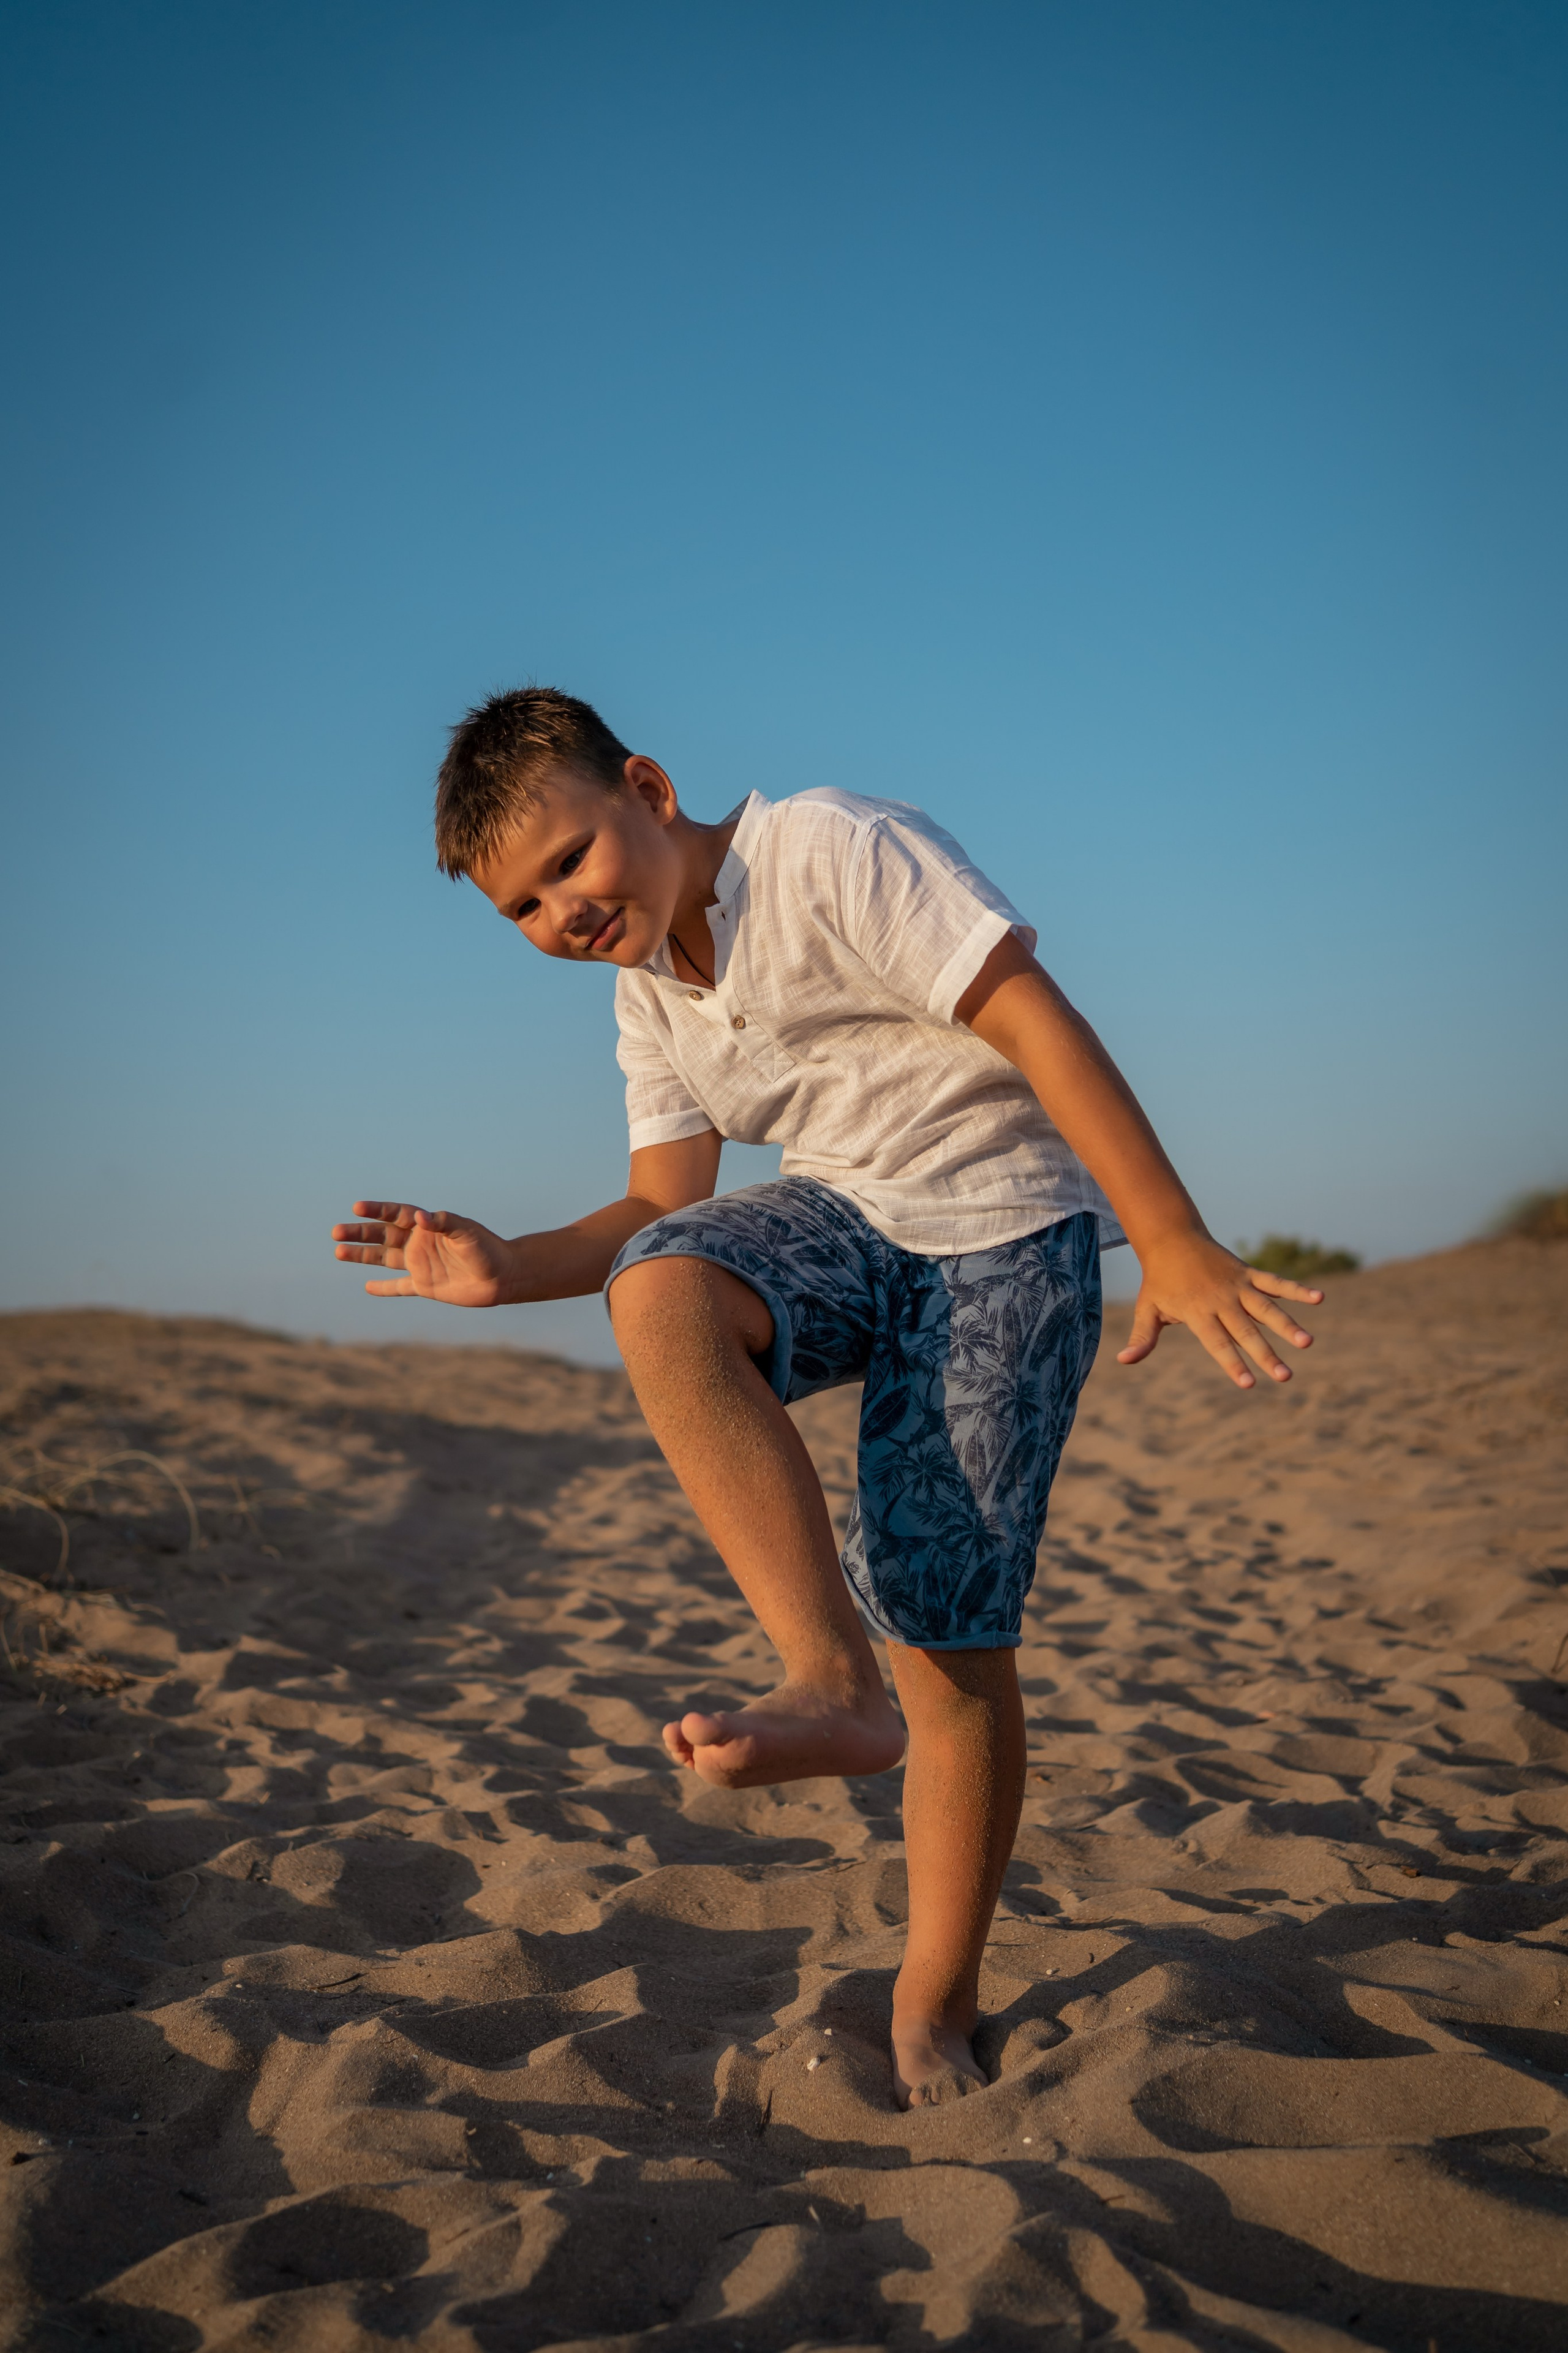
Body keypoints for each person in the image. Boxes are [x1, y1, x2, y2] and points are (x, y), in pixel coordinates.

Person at [330, 687, 1324, 2109]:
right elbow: (655, 1208)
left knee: (949, 1632)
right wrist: (503, 1268)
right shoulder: (649, 996)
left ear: (649, 789)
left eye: (571, 860)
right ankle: (824, 1677)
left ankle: (933, 1995)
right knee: (659, 1284)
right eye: (522, 907)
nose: (562, 908)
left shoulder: (831, 847)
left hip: (1001, 1233)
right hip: (847, 1223)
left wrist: (1165, 1234)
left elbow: (1028, 1015)